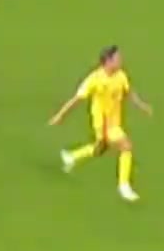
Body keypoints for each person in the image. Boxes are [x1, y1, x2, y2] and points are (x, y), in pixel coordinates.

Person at [50, 45, 152, 203]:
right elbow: (76, 99)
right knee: (126, 146)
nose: (121, 60)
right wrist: (60, 115)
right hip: (103, 123)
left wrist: (141, 105)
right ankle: (124, 186)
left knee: (100, 149)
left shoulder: (121, 76)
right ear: (108, 61)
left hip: (115, 122)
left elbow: (128, 93)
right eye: (117, 58)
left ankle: (72, 156)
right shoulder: (94, 79)